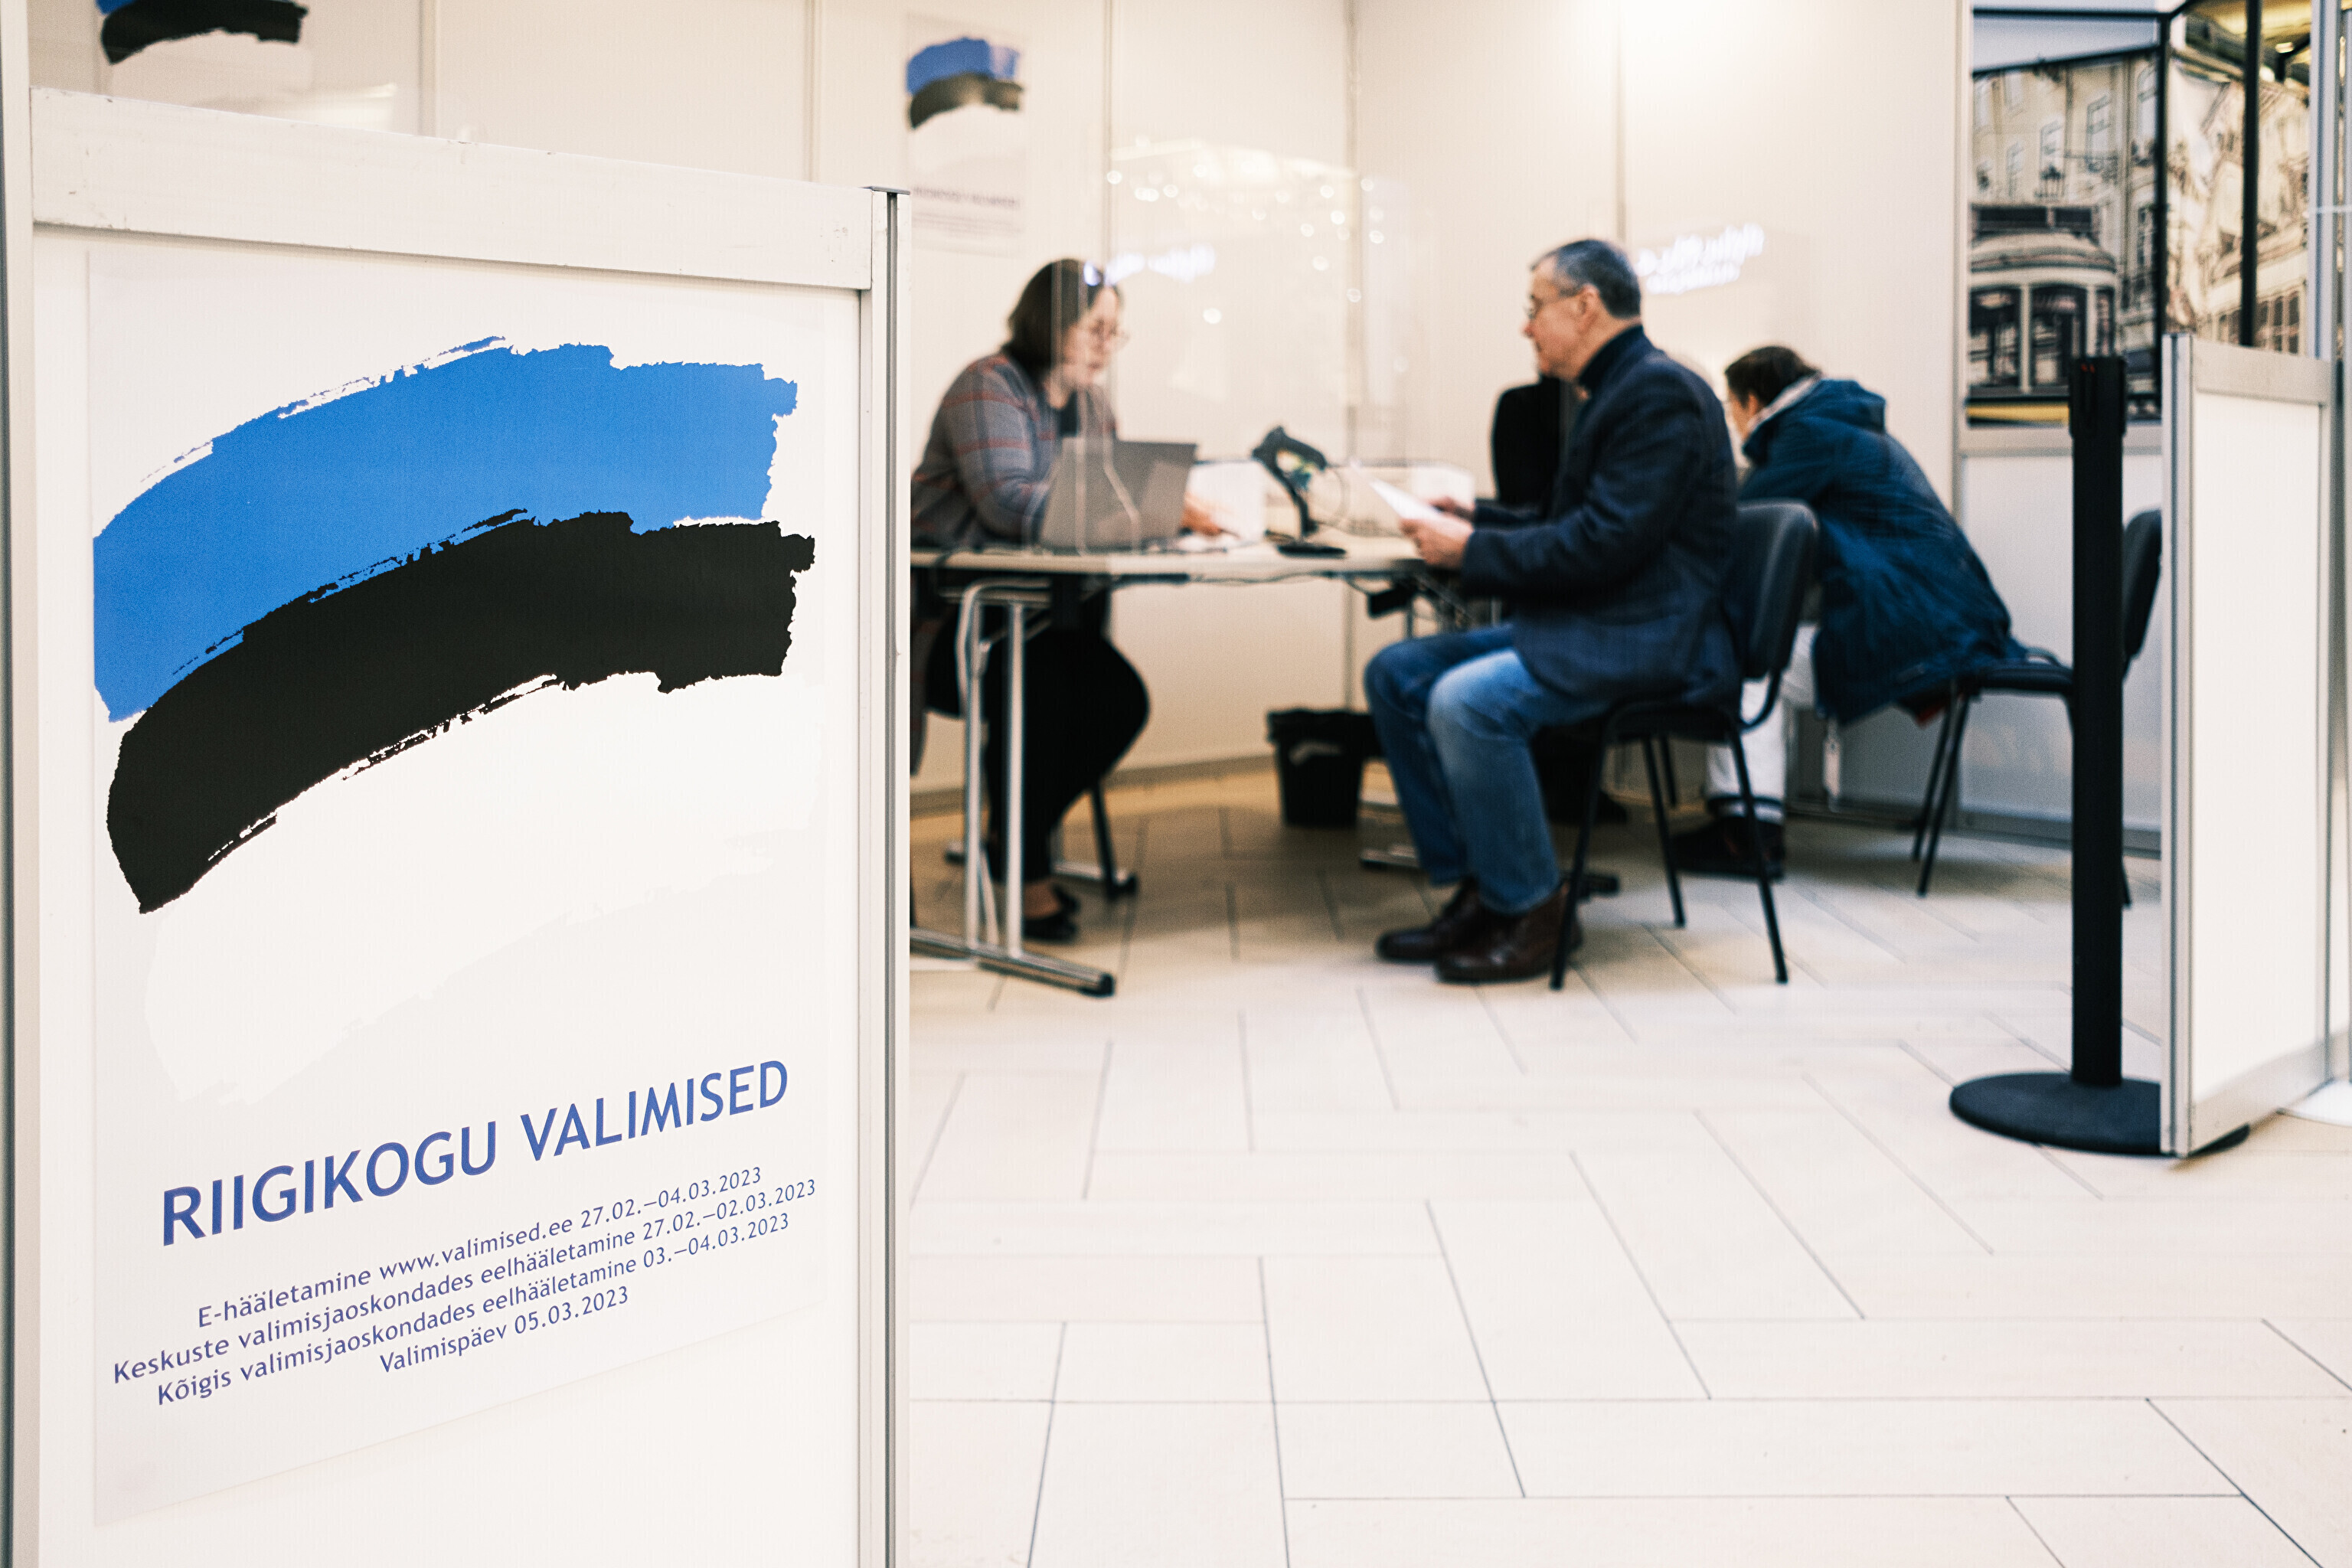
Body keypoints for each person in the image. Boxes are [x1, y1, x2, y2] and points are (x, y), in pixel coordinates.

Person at [1365, 238, 1740, 983]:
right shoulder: (1621, 389)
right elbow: (1572, 522)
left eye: (1535, 307)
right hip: (1600, 621)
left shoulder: (1657, 393)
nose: (1527, 326)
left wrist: (1470, 550)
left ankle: (1536, 909)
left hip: (1643, 635)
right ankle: (1485, 887)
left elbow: (1606, 543)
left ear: (1585, 305)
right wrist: (1474, 518)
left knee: (1467, 701)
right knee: (1397, 672)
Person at [910, 258, 1220, 942]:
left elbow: (1109, 504)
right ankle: (1026, 873)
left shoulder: (1092, 405)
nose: (1107, 345)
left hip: (1043, 618)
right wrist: (1142, 512)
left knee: (1119, 701)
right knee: (1043, 693)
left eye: (1115, 332)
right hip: (955, 624)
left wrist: (1158, 514)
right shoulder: (987, 385)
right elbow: (1006, 503)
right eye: (1094, 329)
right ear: (1049, 324)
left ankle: (1010, 840)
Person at [1671, 345, 2020, 878]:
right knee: (1769, 654)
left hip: (1920, 629)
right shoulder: (1842, 427)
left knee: (1750, 665)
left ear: (1752, 402)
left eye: (1730, 408)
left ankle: (1747, 836)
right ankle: (1753, 813)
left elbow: (1741, 526)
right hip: (1942, 623)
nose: (1733, 425)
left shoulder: (1808, 435)